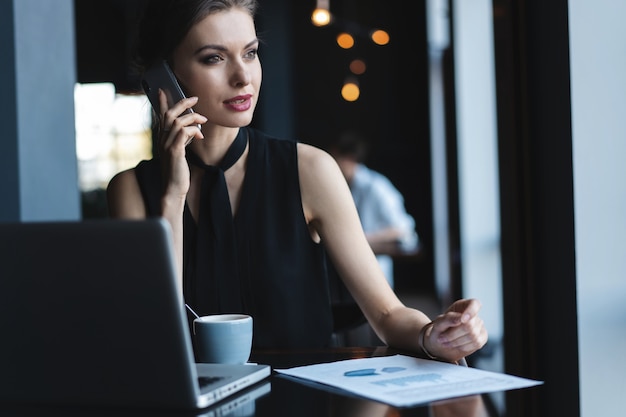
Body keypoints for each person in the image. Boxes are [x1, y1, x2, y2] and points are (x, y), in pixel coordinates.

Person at [106, 0, 487, 363]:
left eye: (251, 53)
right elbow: (157, 336)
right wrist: (174, 195)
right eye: (214, 58)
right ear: (164, 78)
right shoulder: (132, 190)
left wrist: (432, 335)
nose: (243, 77)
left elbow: (387, 313)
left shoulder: (310, 170)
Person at [328, 131, 419, 289]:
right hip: (349, 271)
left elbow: (403, 228)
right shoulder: (343, 187)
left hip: (375, 272)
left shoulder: (376, 186)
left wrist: (362, 237)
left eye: (335, 159)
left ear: (349, 159)